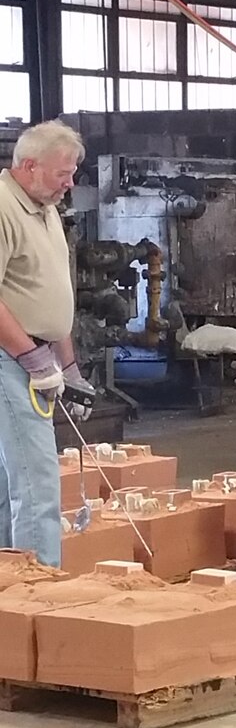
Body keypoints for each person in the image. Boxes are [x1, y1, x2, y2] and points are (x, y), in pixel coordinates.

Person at [0, 120, 94, 567]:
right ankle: (41, 596)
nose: (70, 183)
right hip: (9, 359)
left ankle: (9, 594)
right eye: (64, 173)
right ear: (30, 166)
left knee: (8, 482)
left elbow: (54, 292)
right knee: (37, 480)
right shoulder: (1, 206)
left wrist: (68, 365)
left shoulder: (45, 206)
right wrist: (32, 357)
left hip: (33, 354)